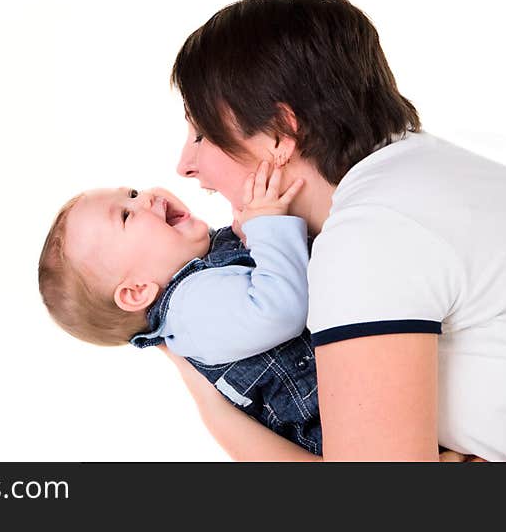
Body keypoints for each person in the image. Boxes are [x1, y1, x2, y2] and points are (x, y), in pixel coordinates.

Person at [168, 0, 506, 461]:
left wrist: (211, 401)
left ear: (281, 134)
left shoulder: (370, 236)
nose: (185, 164)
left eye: (202, 133)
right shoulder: (416, 180)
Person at [37, 172, 328, 453]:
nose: (146, 198)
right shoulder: (190, 309)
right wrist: (268, 225)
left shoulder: (201, 285)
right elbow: (279, 310)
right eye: (126, 215)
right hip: (338, 414)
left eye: (132, 193)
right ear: (138, 291)